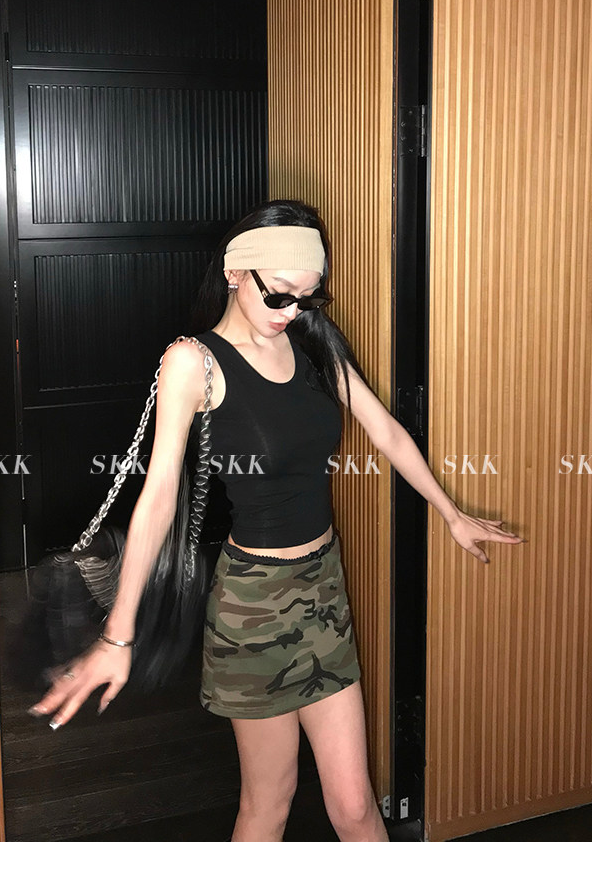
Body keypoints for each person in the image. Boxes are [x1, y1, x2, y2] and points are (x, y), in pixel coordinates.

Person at [28, 198, 525, 842]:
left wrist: (450, 512)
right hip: (252, 606)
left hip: (324, 590)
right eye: (281, 294)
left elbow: (385, 430)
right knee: (270, 805)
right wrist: (117, 636)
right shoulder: (193, 361)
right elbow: (158, 497)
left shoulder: (312, 342)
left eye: (307, 297)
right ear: (236, 272)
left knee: (355, 805)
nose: (292, 310)